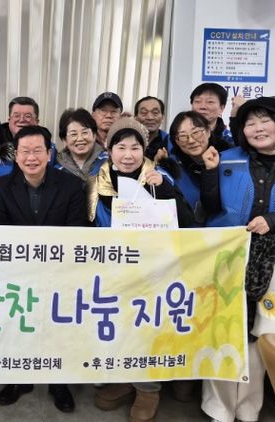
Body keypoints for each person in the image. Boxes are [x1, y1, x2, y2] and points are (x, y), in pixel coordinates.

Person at [199, 96, 275, 422]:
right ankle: (219, 407)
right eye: (250, 123)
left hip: (274, 265)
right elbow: (208, 207)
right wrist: (210, 172)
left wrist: (274, 221)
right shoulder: (224, 159)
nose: (257, 128)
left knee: (261, 334)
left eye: (264, 120)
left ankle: (249, 406)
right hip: (226, 261)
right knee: (222, 331)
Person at [89, 118, 193, 422]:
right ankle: (125, 380)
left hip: (154, 269)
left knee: (147, 326)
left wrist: (166, 190)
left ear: (144, 149)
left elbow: (188, 222)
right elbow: (86, 225)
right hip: (112, 267)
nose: (128, 154)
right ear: (109, 149)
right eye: (120, 147)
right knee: (117, 325)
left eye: (135, 147)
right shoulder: (96, 182)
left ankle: (148, 389)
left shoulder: (160, 177)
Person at [0, 125, 87, 413]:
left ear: (49, 154)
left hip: (58, 272)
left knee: (58, 329)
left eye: (38, 150)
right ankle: (19, 379)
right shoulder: (4, 186)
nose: (31, 157)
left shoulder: (71, 185)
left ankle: (58, 382)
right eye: (24, 151)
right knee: (18, 327)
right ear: (16, 156)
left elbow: (77, 230)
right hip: (18, 275)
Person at [167, 110, 232, 226]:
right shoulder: (172, 167)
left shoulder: (231, 160)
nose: (191, 140)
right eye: (183, 136)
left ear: (208, 132)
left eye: (196, 132)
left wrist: (211, 171)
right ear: (176, 141)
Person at [54, 108, 107, 184]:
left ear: (94, 135)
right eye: (73, 134)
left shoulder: (108, 162)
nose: (80, 139)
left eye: (84, 132)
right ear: (64, 140)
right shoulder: (57, 170)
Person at [190, 82, 235, 148]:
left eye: (210, 102)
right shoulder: (179, 136)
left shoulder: (230, 139)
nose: (202, 107)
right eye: (197, 101)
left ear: (222, 108)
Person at [134, 96, 168, 161]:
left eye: (155, 113)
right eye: (144, 113)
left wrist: (166, 162)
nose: (150, 117)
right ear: (135, 118)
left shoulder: (170, 142)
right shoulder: (125, 141)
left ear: (163, 117)